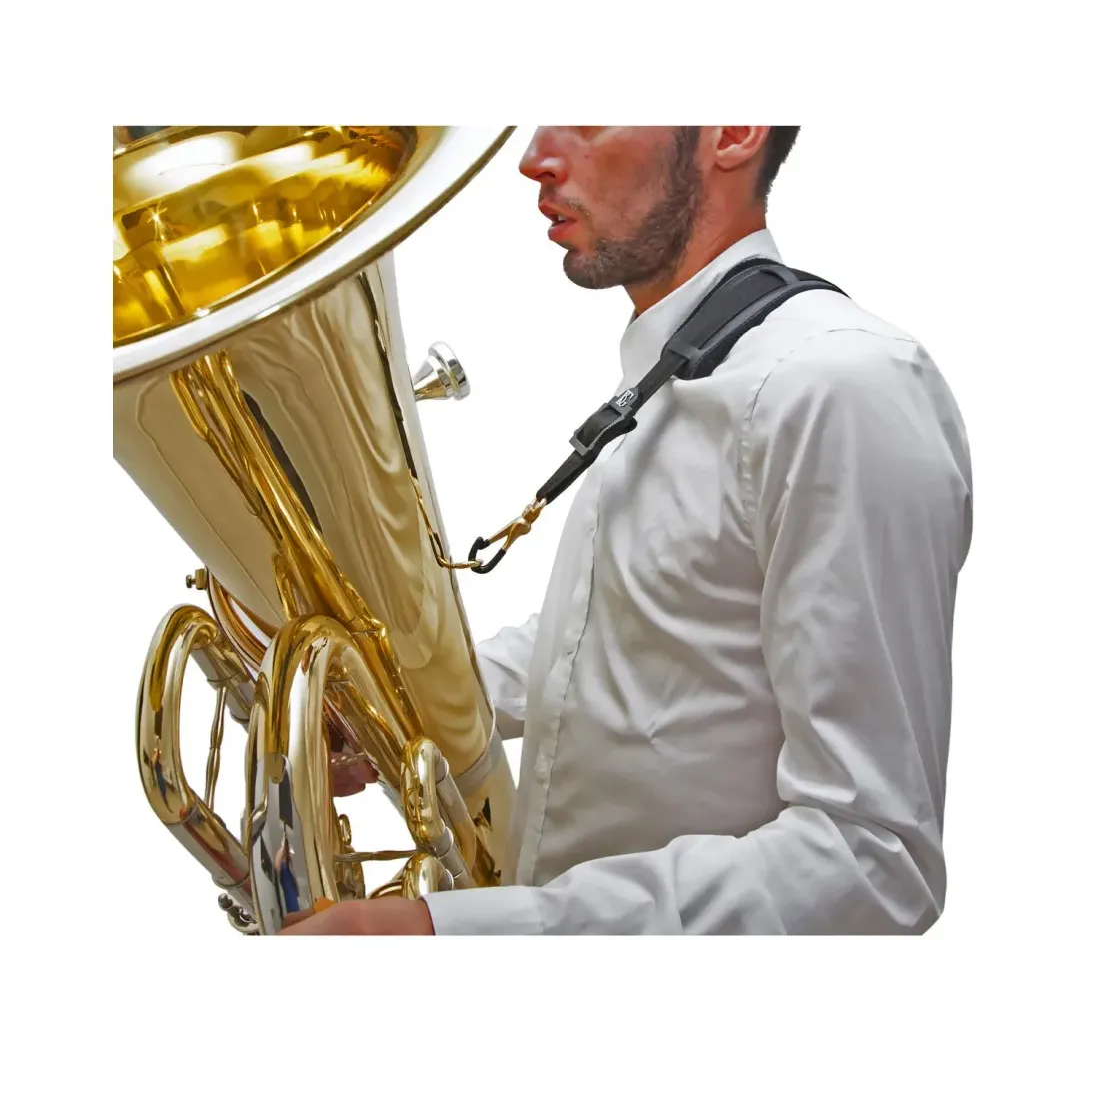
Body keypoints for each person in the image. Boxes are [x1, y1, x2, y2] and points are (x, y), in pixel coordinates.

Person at [281, 126, 973, 936]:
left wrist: (452, 934)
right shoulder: (684, 369)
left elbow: (874, 862)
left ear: (733, 132)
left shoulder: (840, 388)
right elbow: (620, 637)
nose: (534, 158)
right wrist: (391, 706)